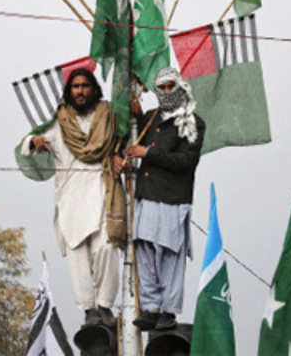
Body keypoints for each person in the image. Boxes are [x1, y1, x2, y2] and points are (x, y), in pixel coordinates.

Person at [18, 68, 125, 327]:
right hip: (71, 199)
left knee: (106, 249)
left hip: (102, 193)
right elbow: (29, 145)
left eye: (84, 86)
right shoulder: (60, 121)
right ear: (69, 91)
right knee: (77, 254)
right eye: (75, 87)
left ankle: (105, 305)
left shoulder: (107, 116)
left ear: (93, 89)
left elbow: (123, 139)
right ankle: (88, 310)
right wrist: (36, 142)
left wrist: (120, 153)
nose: (80, 91)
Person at [125, 67, 205, 331]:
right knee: (145, 250)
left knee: (169, 255)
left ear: (180, 87)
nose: (167, 92)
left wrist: (147, 152)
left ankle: (168, 311)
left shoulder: (193, 122)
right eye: (163, 88)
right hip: (146, 194)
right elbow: (134, 147)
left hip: (172, 198)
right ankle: (151, 308)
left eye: (171, 86)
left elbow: (186, 161)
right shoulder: (150, 118)